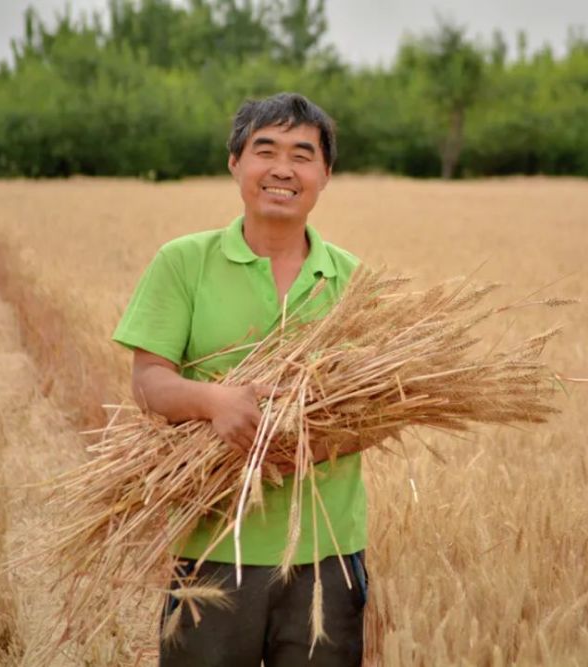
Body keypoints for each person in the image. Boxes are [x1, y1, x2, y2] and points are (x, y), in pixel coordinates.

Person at [111, 92, 369, 667]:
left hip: (326, 554)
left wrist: (299, 447)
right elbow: (148, 381)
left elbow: (381, 409)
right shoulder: (184, 262)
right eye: (265, 150)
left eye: (302, 155)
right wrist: (214, 401)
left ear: (326, 173)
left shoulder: (354, 282)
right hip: (212, 548)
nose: (283, 169)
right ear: (235, 163)